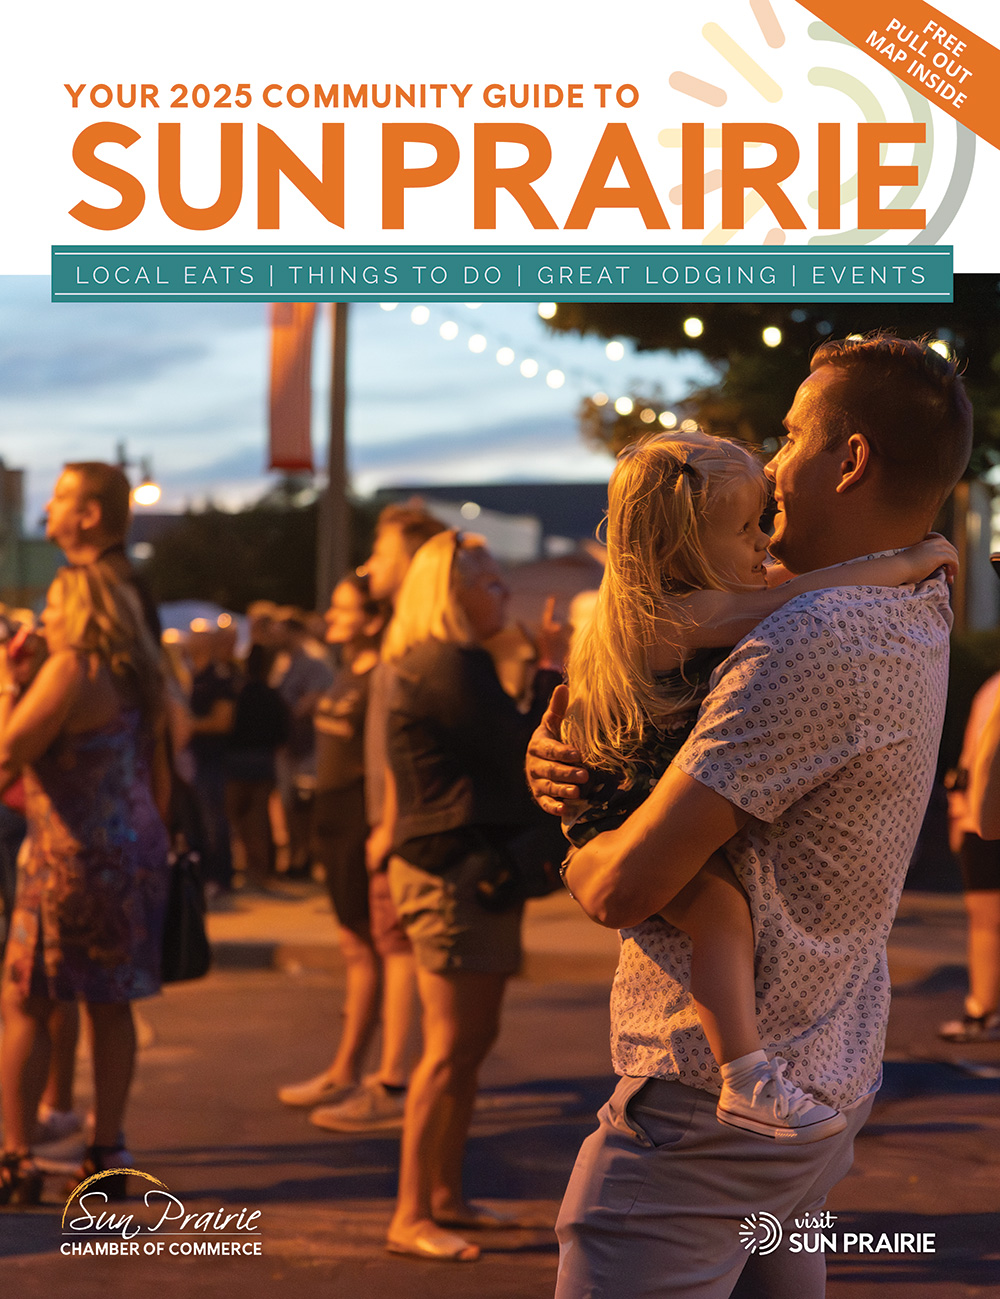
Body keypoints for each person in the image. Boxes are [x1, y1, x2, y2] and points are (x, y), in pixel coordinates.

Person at [526, 333, 972, 1298]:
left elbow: (623, 884)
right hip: (828, 1072)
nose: (773, 465)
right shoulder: (914, 604)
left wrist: (565, 838)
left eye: (789, 435)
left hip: (700, 1117)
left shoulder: (812, 633)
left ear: (849, 459)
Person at [562, 428, 957, 1141]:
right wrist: (906, 560)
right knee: (720, 915)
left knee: (778, 1244)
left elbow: (783, 587)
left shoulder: (691, 605)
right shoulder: (674, 614)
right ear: (681, 546)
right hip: (617, 807)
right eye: (744, 529)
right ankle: (744, 1075)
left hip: (637, 792)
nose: (763, 546)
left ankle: (746, 1070)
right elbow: (799, 593)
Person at [381, 531, 564, 1262]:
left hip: (466, 870)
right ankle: (409, 1212)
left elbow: (497, 748)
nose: (504, 595)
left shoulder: (453, 665)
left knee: (469, 1045)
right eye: (489, 583)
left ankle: (445, 1196)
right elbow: (523, 752)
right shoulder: (446, 664)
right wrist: (549, 667)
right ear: (449, 592)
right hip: (454, 873)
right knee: (450, 1048)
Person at [0, 562, 170, 1205]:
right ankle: (109, 1149)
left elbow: (9, 749)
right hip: (131, 854)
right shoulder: (139, 674)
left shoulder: (72, 668)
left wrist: (10, 687)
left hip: (67, 861)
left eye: (54, 608)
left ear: (83, 612)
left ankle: (15, 1158)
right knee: (110, 1003)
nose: (45, 620)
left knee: (26, 1002)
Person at [307, 503, 447, 1133]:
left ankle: (390, 1083)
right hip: (362, 824)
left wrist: (389, 825)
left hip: (400, 830)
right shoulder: (400, 647)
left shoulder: (422, 647)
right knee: (383, 949)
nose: (371, 566)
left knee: (398, 953)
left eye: (382, 554)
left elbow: (402, 753)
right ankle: (374, 1076)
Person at [278, 572, 391, 1107]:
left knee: (366, 948)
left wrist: (382, 829)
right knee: (355, 945)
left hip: (358, 819)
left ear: (373, 620)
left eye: (345, 610)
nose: (332, 619)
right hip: (330, 816)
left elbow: (385, 764)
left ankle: (351, 1070)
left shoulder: (381, 679)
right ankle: (352, 1067)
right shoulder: (348, 671)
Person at [945, 671, 1000, 1038]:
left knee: (986, 917)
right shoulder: (992, 688)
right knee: (983, 916)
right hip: (978, 817)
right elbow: (971, 758)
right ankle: (982, 1008)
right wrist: (958, 811)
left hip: (983, 815)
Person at [270, 610, 334, 879]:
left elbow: (317, 697)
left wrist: (289, 714)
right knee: (289, 804)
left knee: (306, 802)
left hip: (308, 744)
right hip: (287, 743)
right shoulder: (285, 661)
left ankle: (307, 856)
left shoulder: (315, 659)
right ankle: (296, 855)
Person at [225, 643, 289, 892]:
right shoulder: (273, 695)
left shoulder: (238, 693)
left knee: (237, 817)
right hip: (263, 761)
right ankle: (261, 870)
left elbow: (229, 727)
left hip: (237, 761)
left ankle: (248, 868)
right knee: (260, 818)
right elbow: (282, 733)